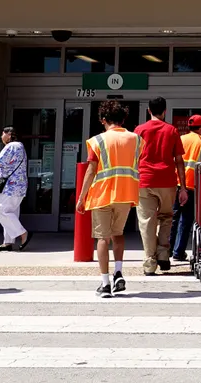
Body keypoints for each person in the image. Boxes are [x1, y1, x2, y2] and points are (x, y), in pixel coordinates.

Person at [76, 100, 142, 298]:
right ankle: (119, 272)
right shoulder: (136, 139)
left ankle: (105, 283)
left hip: (102, 194)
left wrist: (81, 197)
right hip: (126, 193)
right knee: (118, 234)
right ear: (123, 119)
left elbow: (91, 170)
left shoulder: (98, 140)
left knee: (102, 238)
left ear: (103, 119)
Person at [133, 97, 187, 275]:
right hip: (167, 181)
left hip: (145, 180)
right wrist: (183, 187)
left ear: (148, 111)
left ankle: (150, 261)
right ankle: (163, 255)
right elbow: (179, 161)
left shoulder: (139, 130)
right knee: (166, 217)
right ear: (164, 111)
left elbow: (133, 159)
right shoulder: (171, 131)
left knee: (147, 222)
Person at [171, 114, 201, 262]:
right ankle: (178, 251)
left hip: (176, 183)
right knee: (186, 220)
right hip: (193, 185)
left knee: (173, 218)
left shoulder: (179, 139)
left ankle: (167, 250)